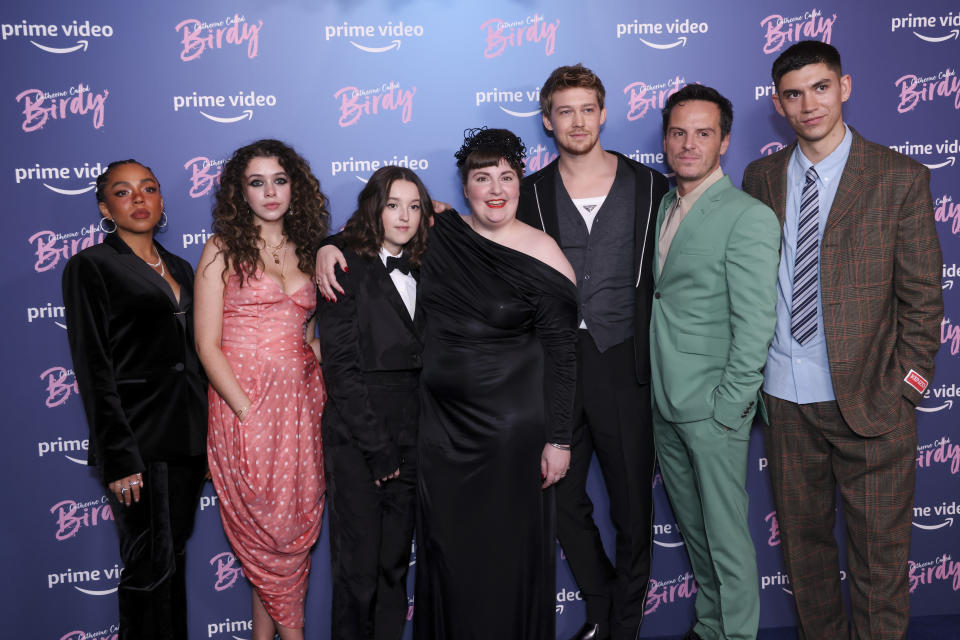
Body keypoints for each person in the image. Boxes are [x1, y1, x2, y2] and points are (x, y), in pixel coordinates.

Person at [742, 41, 944, 639]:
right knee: (804, 557)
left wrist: (904, 389)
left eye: (821, 87)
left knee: (880, 561)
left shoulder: (899, 176)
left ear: (845, 87)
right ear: (779, 104)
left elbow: (923, 299)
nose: (810, 104)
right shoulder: (761, 176)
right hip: (784, 398)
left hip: (871, 403)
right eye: (795, 94)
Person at [516, 63, 669, 640]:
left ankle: (622, 627)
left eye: (587, 109)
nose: (577, 121)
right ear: (548, 121)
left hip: (624, 361)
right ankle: (603, 604)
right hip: (554, 367)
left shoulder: (651, 185)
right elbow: (469, 233)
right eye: (564, 111)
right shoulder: (528, 192)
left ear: (603, 114)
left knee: (633, 507)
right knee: (559, 499)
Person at [414, 128, 577, 639]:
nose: (495, 189)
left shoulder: (545, 253)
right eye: (482, 178)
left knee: (503, 559)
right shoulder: (441, 230)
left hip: (511, 438)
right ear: (465, 187)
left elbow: (564, 356)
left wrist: (559, 438)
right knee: (449, 554)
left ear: (520, 183)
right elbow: (369, 233)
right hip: (440, 434)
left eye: (506, 176)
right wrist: (331, 250)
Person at [651, 84, 780, 640]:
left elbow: (756, 322)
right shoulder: (663, 204)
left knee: (727, 540)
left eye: (703, 133)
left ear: (723, 142)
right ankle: (710, 630)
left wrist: (730, 406)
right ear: (665, 140)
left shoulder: (747, 216)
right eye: (678, 132)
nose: (688, 144)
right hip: (663, 400)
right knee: (698, 536)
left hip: (713, 408)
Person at [62, 159, 207, 640]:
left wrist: (206, 440)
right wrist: (119, 456)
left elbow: (197, 356)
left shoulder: (184, 267)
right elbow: (93, 366)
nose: (139, 199)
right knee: (148, 566)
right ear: (106, 208)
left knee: (174, 560)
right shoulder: (90, 267)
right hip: (138, 441)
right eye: (123, 193)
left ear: (162, 201)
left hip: (186, 440)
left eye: (148, 189)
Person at [195, 139, 330, 640]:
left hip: (300, 408)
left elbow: (309, 336)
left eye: (279, 179)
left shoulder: (311, 249)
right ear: (240, 192)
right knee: (266, 532)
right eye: (257, 182)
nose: (270, 192)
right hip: (245, 406)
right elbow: (207, 345)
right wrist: (245, 410)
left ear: (295, 186)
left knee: (288, 536)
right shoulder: (222, 248)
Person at [316, 166, 432, 640]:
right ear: (373, 209)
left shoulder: (431, 261)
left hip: (416, 432)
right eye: (392, 205)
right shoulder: (342, 261)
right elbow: (340, 368)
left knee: (394, 570)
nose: (404, 216)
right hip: (359, 436)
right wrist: (377, 449)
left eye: (414, 206)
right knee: (357, 573)